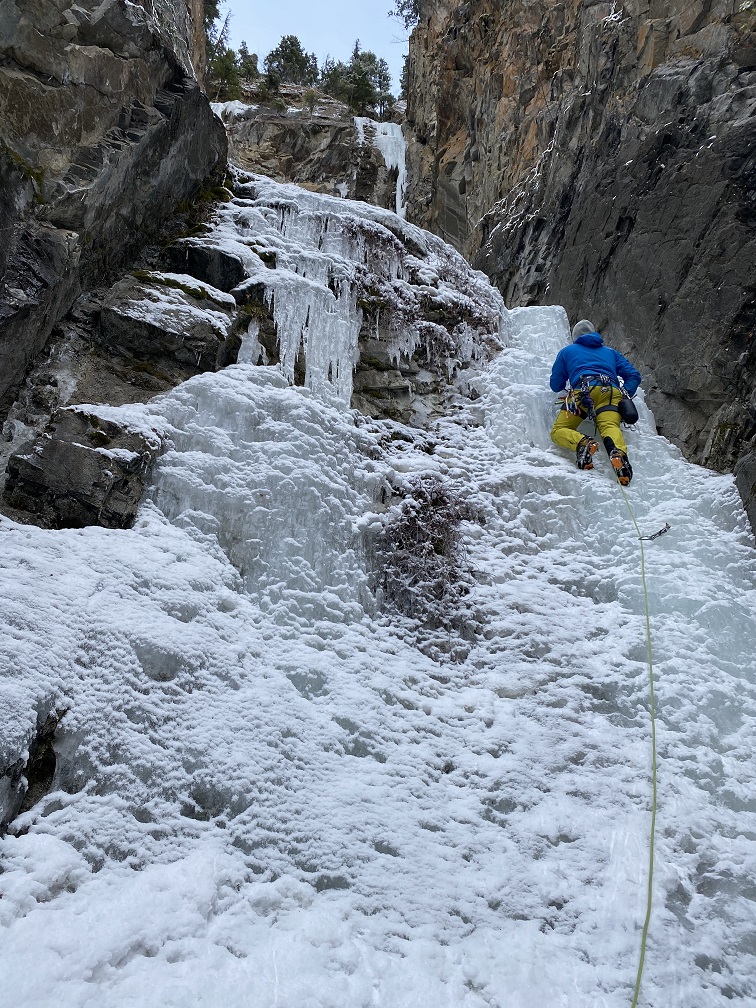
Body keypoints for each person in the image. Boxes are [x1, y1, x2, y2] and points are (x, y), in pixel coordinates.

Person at [549, 319, 641, 486]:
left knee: (559, 430)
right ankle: (619, 455)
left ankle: (583, 442)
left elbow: (556, 385)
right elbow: (634, 375)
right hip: (611, 392)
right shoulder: (610, 352)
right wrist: (624, 393)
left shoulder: (567, 351)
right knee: (609, 427)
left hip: (583, 391)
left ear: (575, 337)